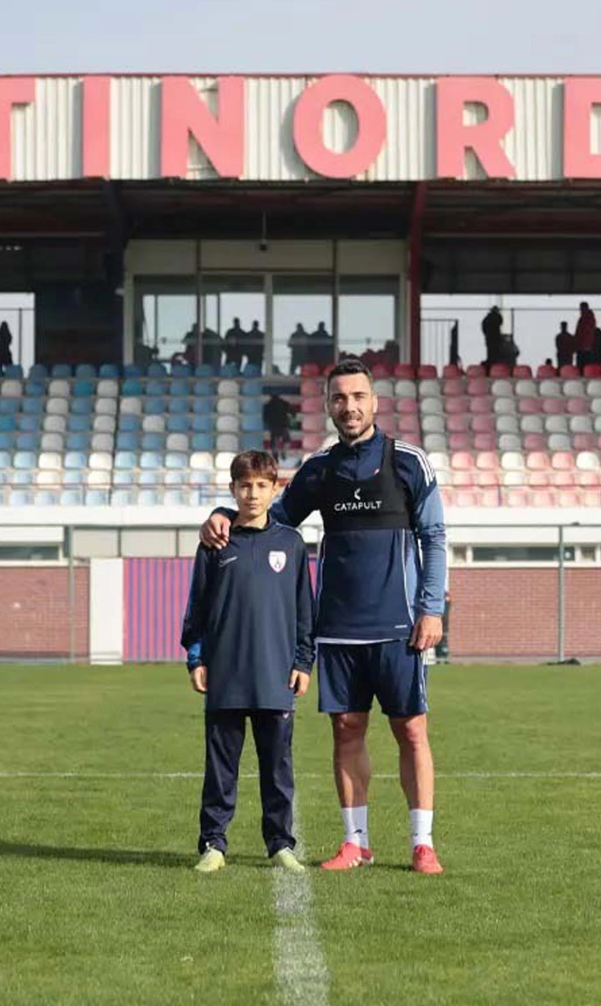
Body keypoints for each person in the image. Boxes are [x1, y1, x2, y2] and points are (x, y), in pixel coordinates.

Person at [198, 358, 448, 875]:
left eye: (358, 397)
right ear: (329, 405)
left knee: (411, 731)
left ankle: (422, 843)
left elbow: (434, 536)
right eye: (339, 398)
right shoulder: (319, 469)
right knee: (347, 731)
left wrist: (431, 607)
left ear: (374, 402)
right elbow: (269, 517)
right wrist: (221, 514)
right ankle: (356, 842)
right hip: (336, 628)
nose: (349, 406)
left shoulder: (409, 462)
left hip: (400, 626)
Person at [181, 450, 316, 874]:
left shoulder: (291, 543)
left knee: (278, 767)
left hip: (276, 674)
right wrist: (196, 657)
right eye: (244, 486)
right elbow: (198, 606)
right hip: (225, 673)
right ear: (232, 489)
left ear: (275, 489)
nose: (252, 494)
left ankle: (280, 844)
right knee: (220, 768)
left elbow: (304, 610)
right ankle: (213, 843)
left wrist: (303, 662)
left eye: (261, 486)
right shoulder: (215, 542)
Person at [573, 303, 600, 368]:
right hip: (582, 347)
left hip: (585, 347)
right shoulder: (584, 319)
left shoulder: (588, 319)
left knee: (584, 366)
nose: (580, 310)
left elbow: (585, 332)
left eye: (582, 308)